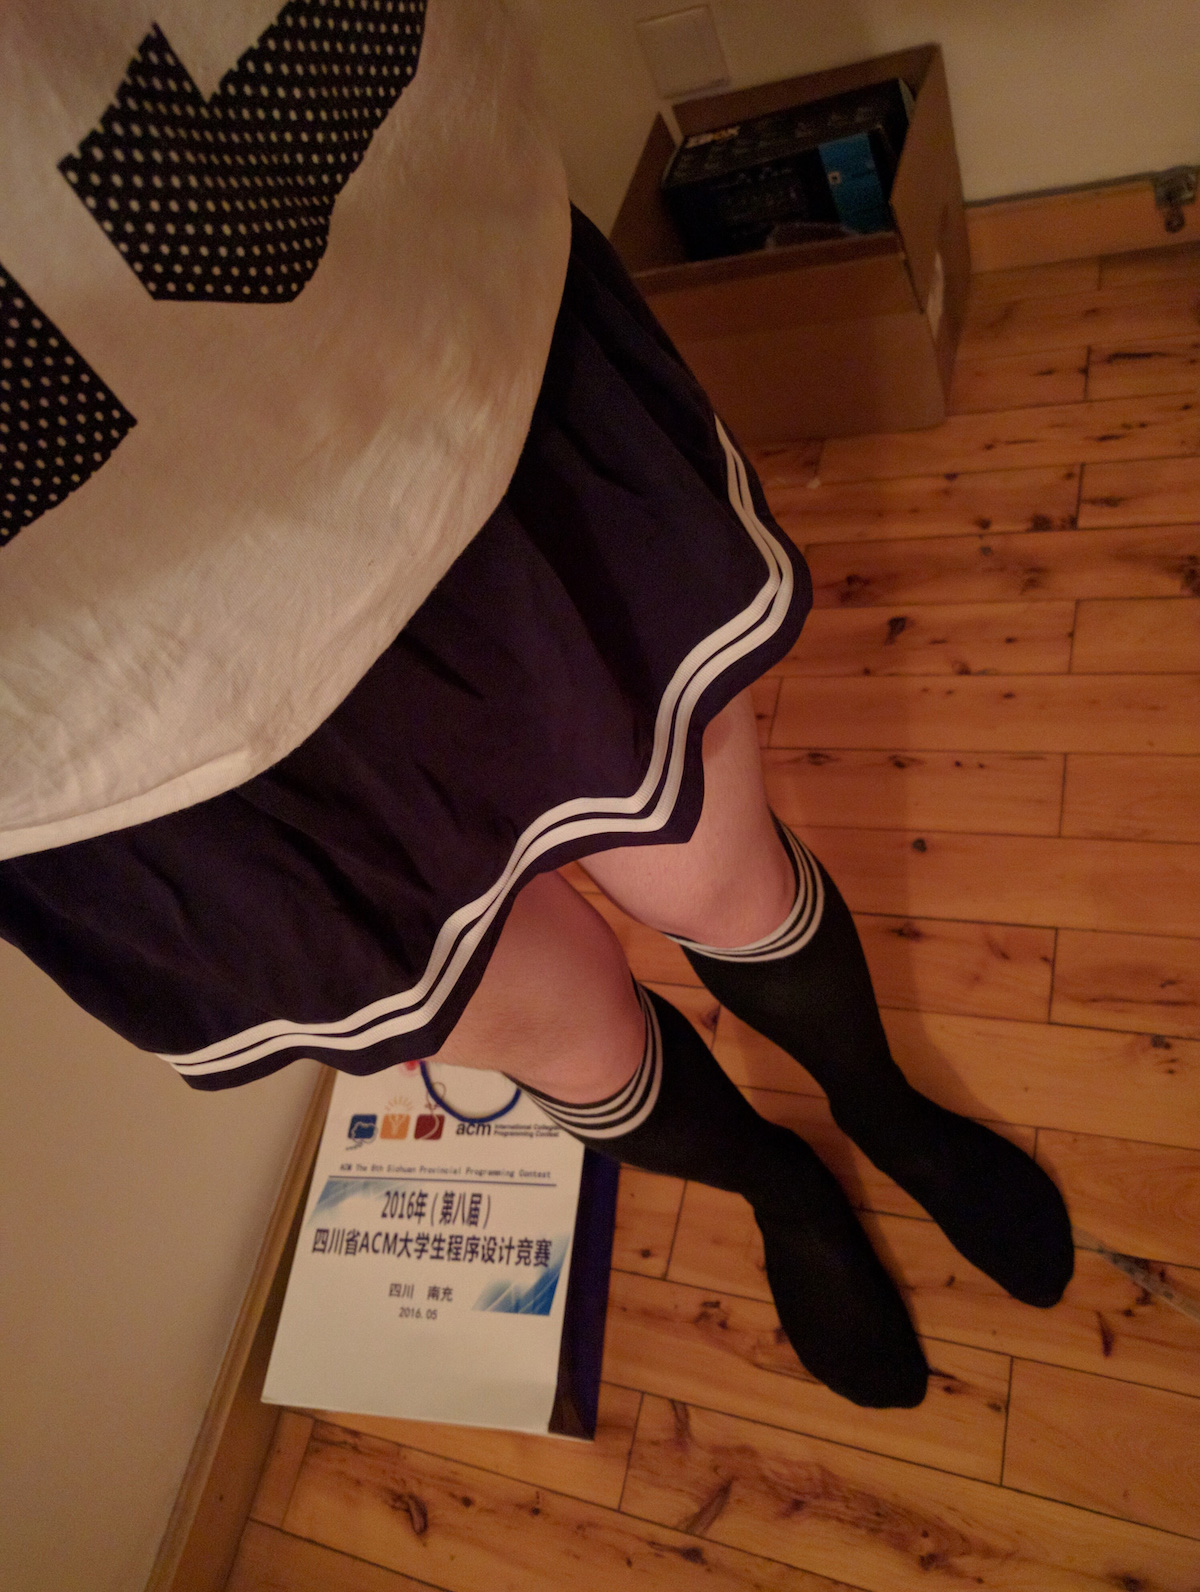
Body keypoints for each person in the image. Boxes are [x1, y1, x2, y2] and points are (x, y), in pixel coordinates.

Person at [0, 0, 1073, 1411]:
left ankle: (885, 1112)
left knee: (721, 874)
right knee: (554, 1032)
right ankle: (781, 1188)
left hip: (412, 370)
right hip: (100, 731)